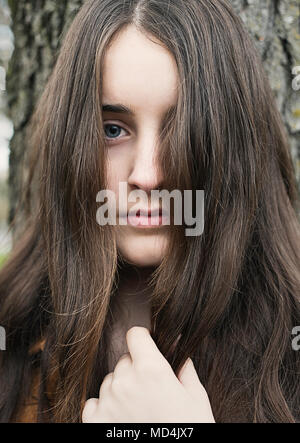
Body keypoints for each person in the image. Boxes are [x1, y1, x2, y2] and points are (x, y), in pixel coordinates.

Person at [0, 0, 299, 423]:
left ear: (235, 148)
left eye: (184, 130)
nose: (148, 175)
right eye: (112, 130)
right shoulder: (10, 342)